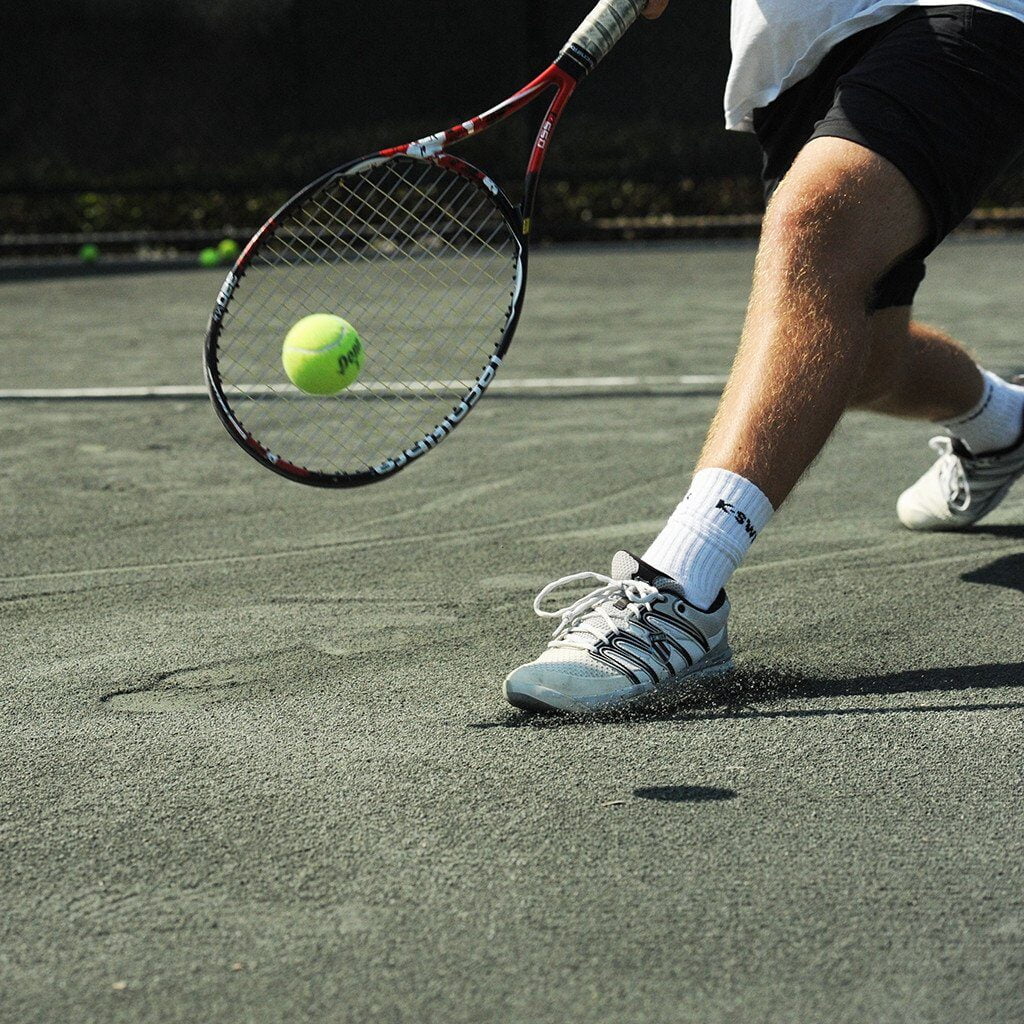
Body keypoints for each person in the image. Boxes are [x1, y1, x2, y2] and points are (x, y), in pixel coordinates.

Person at [503, 0, 1024, 713]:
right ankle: (1005, 425)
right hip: (797, 47)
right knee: (861, 361)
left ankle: (681, 592)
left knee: (818, 221)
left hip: (962, 8)